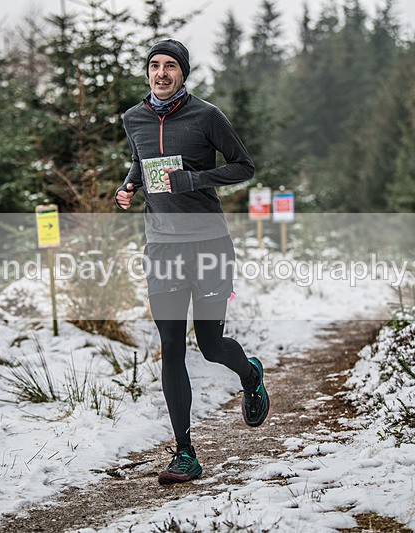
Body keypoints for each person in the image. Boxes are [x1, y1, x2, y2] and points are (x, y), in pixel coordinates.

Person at [115, 39, 270, 485]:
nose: (161, 74)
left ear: (183, 73)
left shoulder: (206, 116)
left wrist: (195, 179)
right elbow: (139, 162)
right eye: (154, 66)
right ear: (147, 73)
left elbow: (244, 165)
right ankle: (184, 452)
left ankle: (250, 372)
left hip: (208, 244)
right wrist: (129, 188)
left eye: (170, 67)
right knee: (171, 347)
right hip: (162, 247)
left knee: (210, 343)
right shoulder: (134, 118)